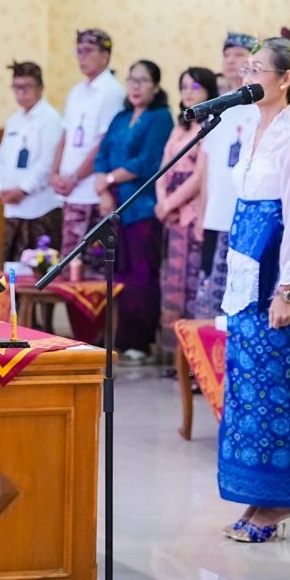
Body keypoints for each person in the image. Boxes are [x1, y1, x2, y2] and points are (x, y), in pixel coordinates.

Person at [219, 38, 290, 542]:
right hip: (244, 272)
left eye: (259, 69)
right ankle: (254, 495)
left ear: (285, 80)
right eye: (246, 68)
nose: (248, 76)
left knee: (271, 391)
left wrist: (288, 288)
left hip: (274, 276)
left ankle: (275, 503)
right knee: (244, 387)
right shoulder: (251, 126)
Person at [93, 59, 174, 362]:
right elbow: (102, 156)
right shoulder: (120, 117)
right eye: (131, 80)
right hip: (112, 207)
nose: (136, 87)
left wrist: (111, 179)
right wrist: (103, 189)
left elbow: (149, 162)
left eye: (143, 81)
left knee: (141, 276)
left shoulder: (160, 117)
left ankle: (138, 340)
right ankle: (114, 336)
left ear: (155, 86)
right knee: (114, 273)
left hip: (141, 208)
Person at [194, 33, 258, 318]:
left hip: (245, 212)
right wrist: (201, 213)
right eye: (227, 55)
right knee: (209, 291)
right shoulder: (217, 107)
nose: (232, 62)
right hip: (215, 214)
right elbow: (207, 169)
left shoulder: (260, 107)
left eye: (240, 55)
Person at [154, 67, 215, 360]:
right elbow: (164, 168)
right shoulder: (180, 126)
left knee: (192, 288)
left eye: (195, 87)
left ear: (209, 91)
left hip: (192, 214)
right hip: (172, 216)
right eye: (183, 87)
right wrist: (163, 202)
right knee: (172, 285)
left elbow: (199, 177)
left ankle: (192, 361)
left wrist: (172, 204)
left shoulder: (211, 125)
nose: (188, 93)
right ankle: (171, 357)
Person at [52, 29, 122, 277]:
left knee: (92, 271)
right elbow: (64, 136)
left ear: (105, 55)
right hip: (70, 192)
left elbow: (104, 143)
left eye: (88, 51)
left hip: (92, 192)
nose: (82, 57)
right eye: (78, 51)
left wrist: (74, 178)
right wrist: (55, 173)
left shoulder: (112, 91)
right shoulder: (76, 91)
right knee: (68, 266)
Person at [0, 60, 65, 265]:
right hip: (13, 207)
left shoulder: (51, 119)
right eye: (17, 87)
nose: (21, 93)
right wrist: (1, 188)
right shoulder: (13, 120)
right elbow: (1, 158)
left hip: (41, 207)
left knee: (42, 268)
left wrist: (23, 189)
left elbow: (49, 161)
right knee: (13, 267)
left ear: (40, 88)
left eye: (27, 87)